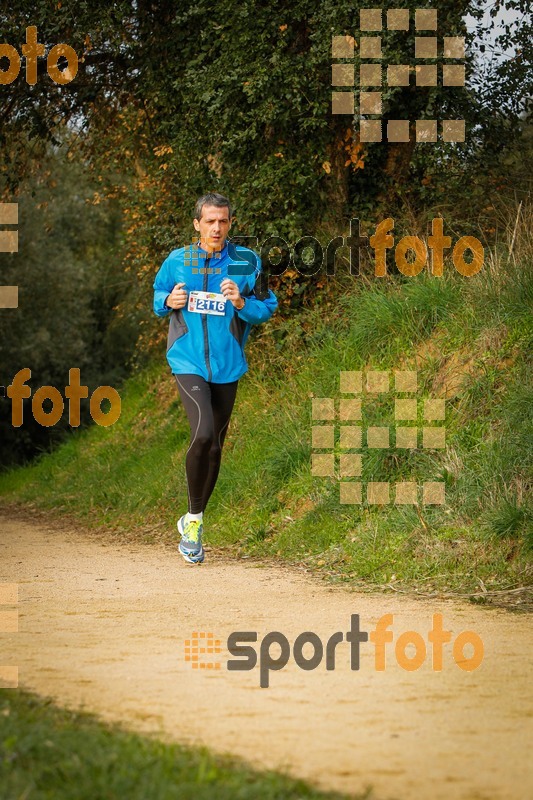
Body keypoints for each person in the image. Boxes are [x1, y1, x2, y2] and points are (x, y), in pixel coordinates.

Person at [153, 193, 278, 564]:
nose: (217, 227)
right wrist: (167, 301)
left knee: (216, 447)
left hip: (228, 365)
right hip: (187, 360)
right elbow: (159, 295)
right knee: (203, 433)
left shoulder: (247, 262)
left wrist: (241, 302)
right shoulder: (177, 260)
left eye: (223, 221)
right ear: (197, 224)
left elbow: (265, 308)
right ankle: (192, 524)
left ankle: (194, 518)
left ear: (230, 223)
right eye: (210, 221)